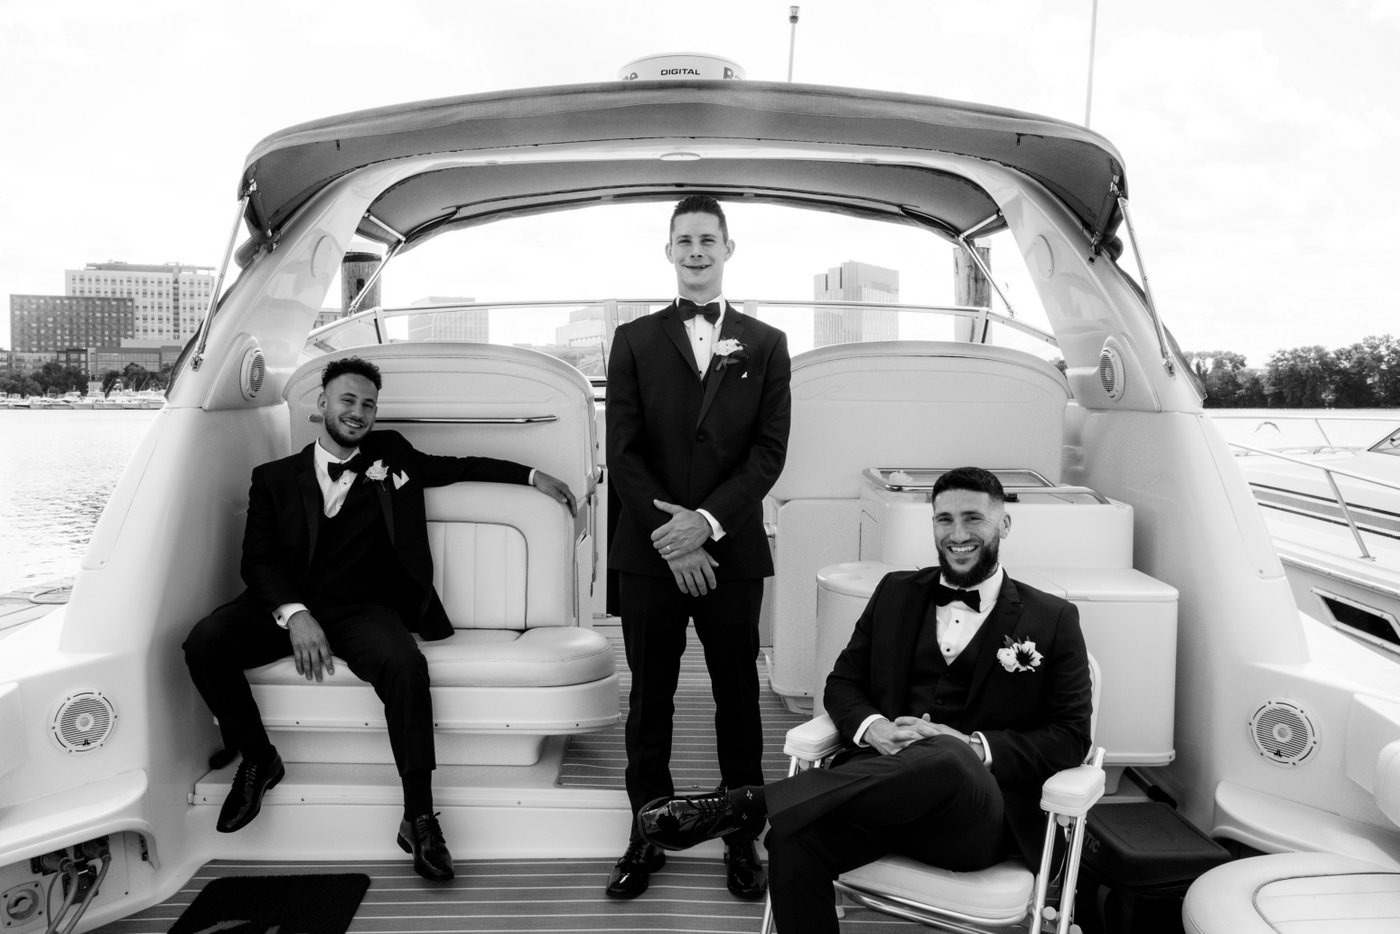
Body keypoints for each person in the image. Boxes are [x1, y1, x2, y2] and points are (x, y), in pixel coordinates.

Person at [635, 466, 1092, 933]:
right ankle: (760, 810)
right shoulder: (895, 592)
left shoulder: (1052, 618)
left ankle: (747, 804)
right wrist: (874, 727)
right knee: (792, 844)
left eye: (973, 519)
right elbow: (842, 683)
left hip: (973, 822)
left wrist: (973, 746)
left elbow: (1071, 736)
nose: (957, 534)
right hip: (878, 805)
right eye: (944, 520)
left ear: (1004, 525)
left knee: (949, 756)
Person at [183, 356, 575, 882]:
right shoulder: (272, 478)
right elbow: (257, 560)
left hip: (363, 609)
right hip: (288, 605)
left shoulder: (391, 456)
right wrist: (295, 615)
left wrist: (533, 475)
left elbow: (458, 466)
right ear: (322, 405)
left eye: (368, 404)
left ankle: (419, 815)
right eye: (348, 400)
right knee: (204, 642)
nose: (359, 412)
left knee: (405, 666)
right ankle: (258, 758)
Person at [603, 195, 792, 900]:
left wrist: (706, 524)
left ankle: (743, 837)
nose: (696, 252)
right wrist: (673, 540)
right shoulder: (631, 339)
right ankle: (644, 832)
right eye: (684, 240)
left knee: (738, 698)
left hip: (732, 552)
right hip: (649, 553)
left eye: (708, 240)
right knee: (648, 701)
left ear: (728, 249)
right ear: (669, 250)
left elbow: (768, 454)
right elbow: (620, 451)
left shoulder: (767, 343)